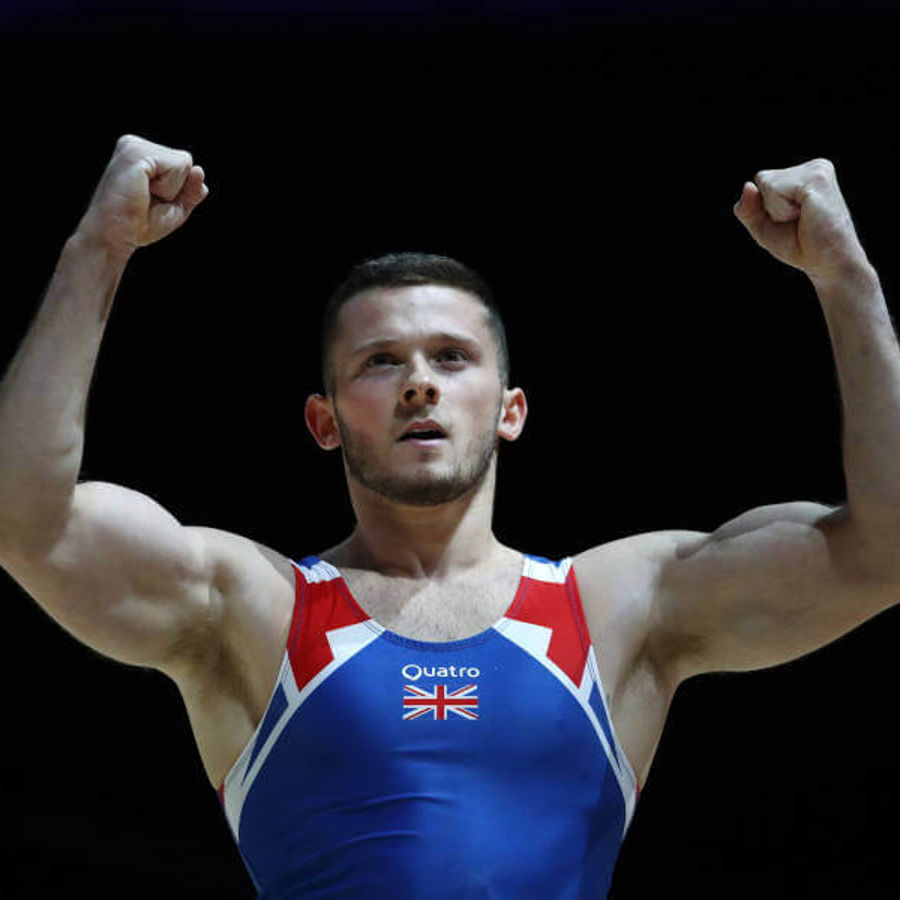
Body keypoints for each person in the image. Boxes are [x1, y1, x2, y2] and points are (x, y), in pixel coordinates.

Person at [0, 134, 897, 899]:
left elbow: (885, 549)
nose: (421, 381)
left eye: (452, 357)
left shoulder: (622, 607)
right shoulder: (254, 608)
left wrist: (844, 273)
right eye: (382, 362)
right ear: (324, 420)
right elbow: (24, 522)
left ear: (510, 408)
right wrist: (98, 247)